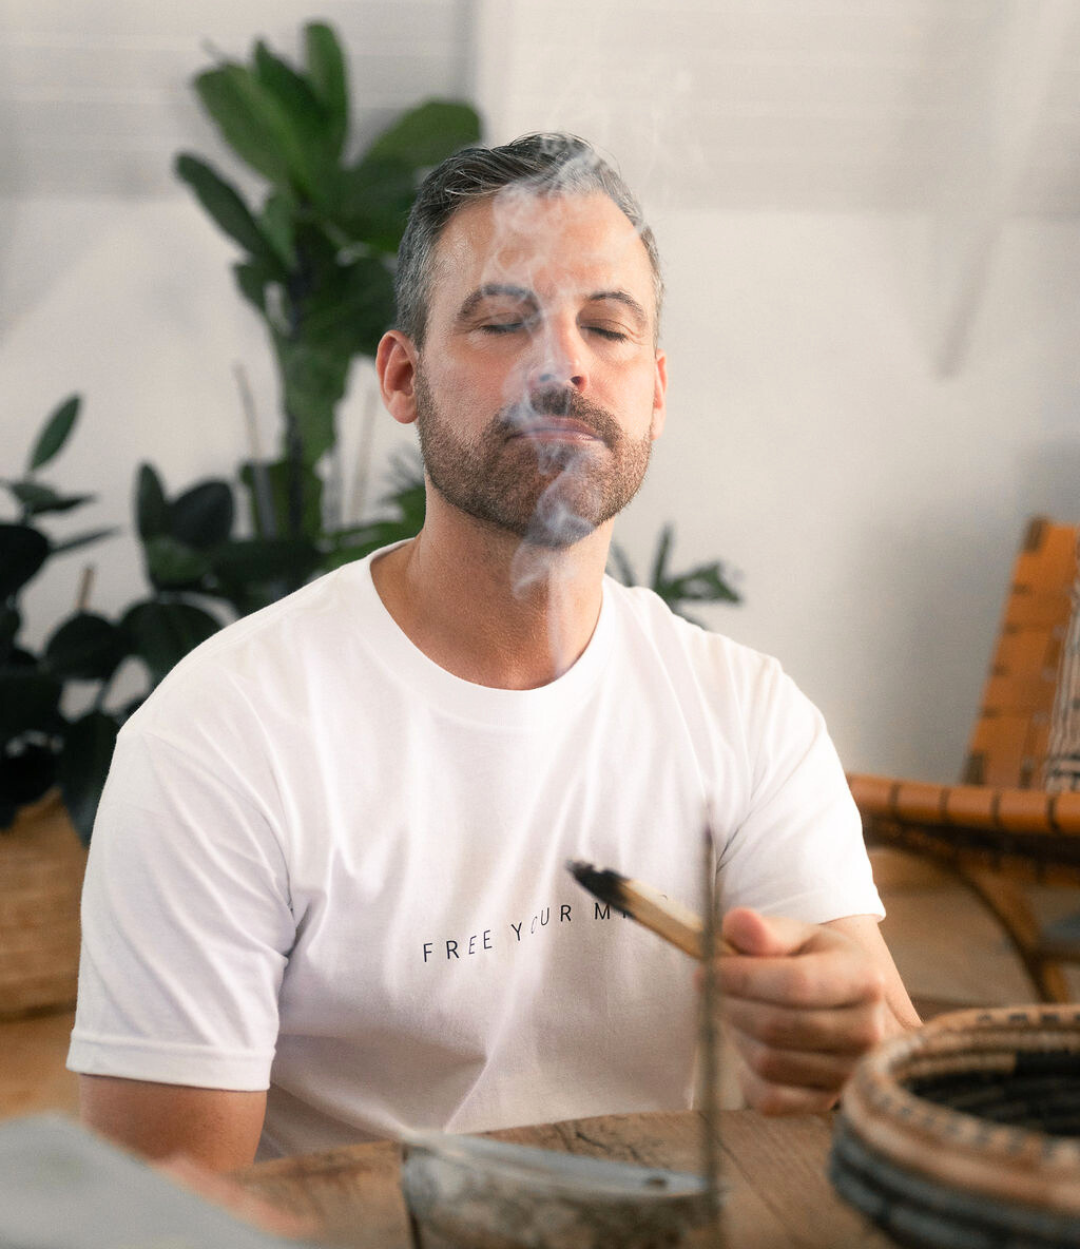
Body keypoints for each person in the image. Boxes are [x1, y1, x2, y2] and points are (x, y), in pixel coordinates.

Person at [70, 133, 919, 1172]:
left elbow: (883, 1075)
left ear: (654, 392)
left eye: (606, 327)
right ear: (402, 375)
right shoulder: (222, 739)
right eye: (502, 320)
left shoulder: (747, 715)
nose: (561, 363)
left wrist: (849, 1033)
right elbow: (166, 1214)